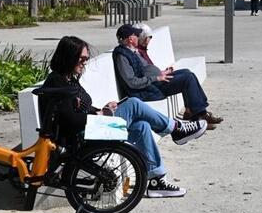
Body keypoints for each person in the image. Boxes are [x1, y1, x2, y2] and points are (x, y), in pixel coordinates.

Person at [41, 36, 207, 198]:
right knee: (134, 103)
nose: (84, 62)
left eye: (86, 58)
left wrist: (102, 109)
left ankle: (157, 181)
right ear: (69, 57)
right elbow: (68, 119)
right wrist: (97, 115)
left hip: (90, 130)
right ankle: (176, 129)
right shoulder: (57, 82)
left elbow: (80, 109)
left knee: (142, 127)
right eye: (82, 58)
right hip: (81, 139)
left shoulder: (69, 79)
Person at [113, 24, 224, 129]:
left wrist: (161, 73)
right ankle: (199, 116)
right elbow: (132, 82)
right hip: (148, 89)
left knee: (187, 72)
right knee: (187, 79)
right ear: (130, 39)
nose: (138, 37)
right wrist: (156, 78)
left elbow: (144, 69)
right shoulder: (122, 56)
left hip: (154, 82)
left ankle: (193, 111)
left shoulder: (131, 51)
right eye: (136, 35)